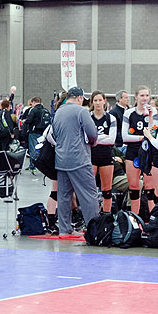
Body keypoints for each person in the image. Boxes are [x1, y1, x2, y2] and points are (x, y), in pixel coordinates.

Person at [49, 87, 98, 235]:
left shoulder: (58, 112)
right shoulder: (81, 111)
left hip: (61, 160)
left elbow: (54, 134)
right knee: (89, 195)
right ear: (79, 98)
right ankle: (94, 231)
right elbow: (92, 133)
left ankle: (64, 230)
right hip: (79, 159)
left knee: (64, 196)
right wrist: (92, 143)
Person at [122, 86, 156, 216]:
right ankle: (134, 218)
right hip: (133, 151)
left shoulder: (153, 112)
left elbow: (154, 133)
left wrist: (151, 116)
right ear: (136, 97)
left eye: (147, 95)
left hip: (148, 152)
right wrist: (142, 137)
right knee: (134, 187)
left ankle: (153, 219)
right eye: (142, 95)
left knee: (150, 188)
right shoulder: (129, 113)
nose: (144, 98)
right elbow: (125, 137)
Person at [89, 91, 117, 213]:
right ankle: (91, 216)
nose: (98, 103)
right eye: (95, 100)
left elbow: (111, 140)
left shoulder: (111, 118)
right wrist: (102, 137)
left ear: (104, 101)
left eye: (100, 100)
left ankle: (106, 216)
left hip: (106, 155)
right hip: (91, 156)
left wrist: (94, 138)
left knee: (107, 190)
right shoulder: (88, 117)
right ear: (92, 102)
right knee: (90, 189)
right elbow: (85, 139)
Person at [23, 96, 50, 173]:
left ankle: (33, 166)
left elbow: (29, 120)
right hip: (43, 133)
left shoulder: (33, 110)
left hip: (34, 132)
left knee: (33, 149)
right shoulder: (45, 110)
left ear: (34, 102)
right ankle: (40, 166)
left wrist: (25, 121)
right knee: (41, 149)